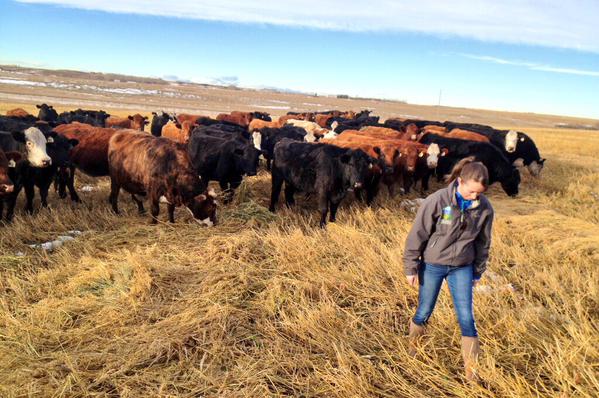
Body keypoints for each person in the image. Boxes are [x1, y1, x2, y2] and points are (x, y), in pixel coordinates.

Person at [403, 156, 495, 382]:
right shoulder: (437, 200)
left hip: (462, 267)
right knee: (424, 311)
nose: (475, 197)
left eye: (479, 193)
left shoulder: (484, 208)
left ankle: (472, 374)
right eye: (471, 191)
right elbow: (418, 234)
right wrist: (411, 267)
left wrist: (477, 271)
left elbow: (483, 243)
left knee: (467, 318)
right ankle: (414, 353)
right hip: (433, 265)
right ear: (460, 181)